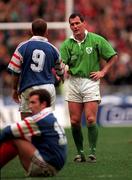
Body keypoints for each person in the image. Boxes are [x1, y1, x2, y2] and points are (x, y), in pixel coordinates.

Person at [60, 13, 118, 163]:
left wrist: (103, 72)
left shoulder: (96, 40)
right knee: (74, 121)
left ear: (84, 23)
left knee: (91, 119)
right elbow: (62, 63)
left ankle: (92, 151)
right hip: (73, 82)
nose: (75, 26)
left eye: (77, 23)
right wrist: (63, 70)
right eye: (72, 24)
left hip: (90, 81)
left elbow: (113, 56)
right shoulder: (67, 44)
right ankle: (80, 152)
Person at [0, 89, 67, 177]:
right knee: (22, 135)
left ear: (43, 104)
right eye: (29, 102)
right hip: (54, 166)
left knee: (15, 137)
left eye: (33, 102)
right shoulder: (50, 116)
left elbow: (7, 131)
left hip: (47, 168)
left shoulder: (39, 119)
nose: (30, 106)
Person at [8, 18, 64, 120]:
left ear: (31, 31)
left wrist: (14, 89)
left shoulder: (22, 47)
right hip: (48, 88)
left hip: (29, 87)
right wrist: (60, 78)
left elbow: (15, 71)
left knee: (26, 122)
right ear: (46, 32)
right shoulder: (53, 49)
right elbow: (60, 71)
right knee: (46, 122)